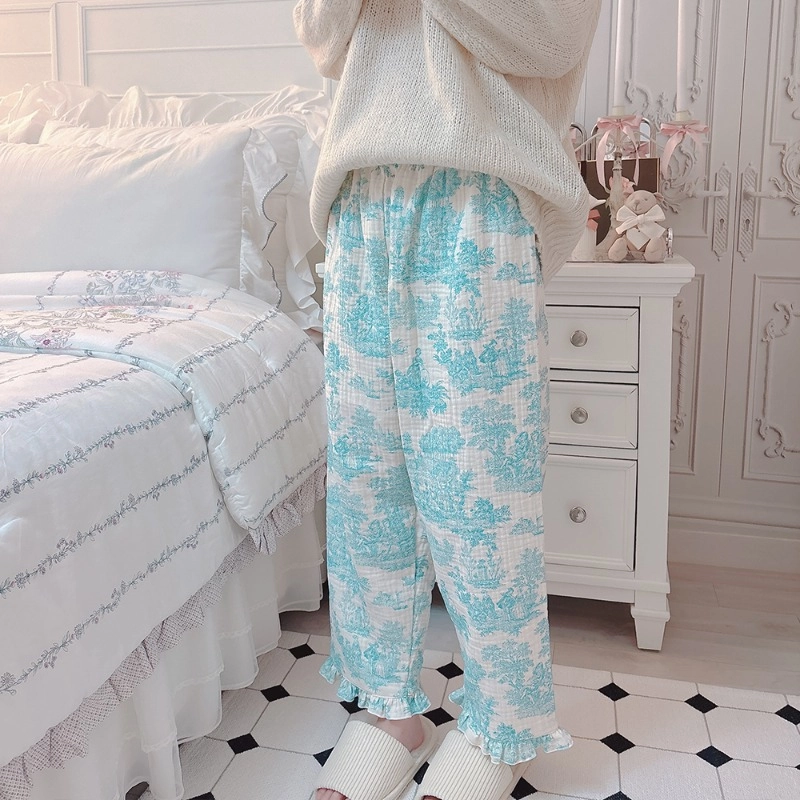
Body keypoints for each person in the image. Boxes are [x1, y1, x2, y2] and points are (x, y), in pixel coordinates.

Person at [293, 2, 602, 799]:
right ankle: (389, 707)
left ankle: (502, 725)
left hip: (482, 197)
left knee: (480, 496)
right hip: (361, 199)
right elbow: (323, 35)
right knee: (370, 485)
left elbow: (549, 37)